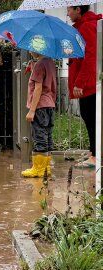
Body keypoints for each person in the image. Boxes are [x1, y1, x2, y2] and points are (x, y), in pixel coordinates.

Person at [67, 5, 102, 168]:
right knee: (88, 115)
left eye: (69, 9)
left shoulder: (88, 26)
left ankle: (96, 156)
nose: (67, 14)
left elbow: (90, 56)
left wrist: (79, 82)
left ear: (78, 9)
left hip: (88, 83)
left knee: (91, 116)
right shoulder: (85, 25)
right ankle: (93, 151)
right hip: (89, 81)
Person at [21, 51, 57, 178]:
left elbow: (38, 88)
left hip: (39, 107)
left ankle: (39, 169)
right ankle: (46, 168)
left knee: (39, 137)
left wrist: (31, 110)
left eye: (32, 48)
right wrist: (33, 71)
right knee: (47, 136)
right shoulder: (50, 62)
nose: (30, 51)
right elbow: (46, 83)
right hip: (49, 105)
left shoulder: (40, 65)